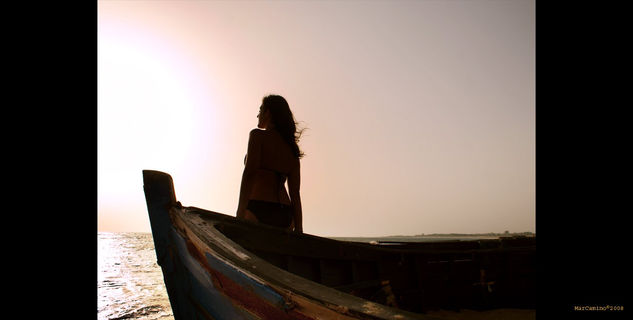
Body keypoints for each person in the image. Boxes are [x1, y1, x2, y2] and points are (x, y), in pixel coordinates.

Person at [236, 95, 304, 233]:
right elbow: (295, 194)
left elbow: (249, 174)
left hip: (258, 208)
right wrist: (299, 229)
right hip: (285, 215)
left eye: (260, 110)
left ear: (268, 113)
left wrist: (240, 212)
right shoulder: (291, 149)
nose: (257, 115)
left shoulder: (257, 136)